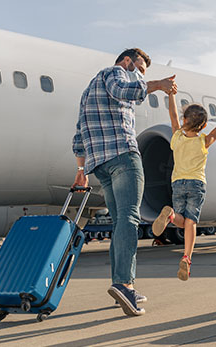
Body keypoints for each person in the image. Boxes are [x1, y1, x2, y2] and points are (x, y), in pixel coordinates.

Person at [72, 48, 176, 317]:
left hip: (100, 165)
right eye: (140, 69)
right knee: (130, 219)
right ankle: (124, 284)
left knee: (120, 223)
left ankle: (122, 283)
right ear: (128, 61)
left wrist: (80, 169)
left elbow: (79, 134)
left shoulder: (88, 91)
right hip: (122, 156)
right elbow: (124, 91)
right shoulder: (115, 73)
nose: (140, 75)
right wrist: (158, 85)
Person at [151, 85, 216, 281]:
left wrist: (171, 95)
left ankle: (170, 215)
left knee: (181, 219)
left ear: (184, 120)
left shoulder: (176, 138)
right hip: (197, 184)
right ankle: (187, 257)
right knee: (191, 221)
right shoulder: (203, 141)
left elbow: (172, 115)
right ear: (203, 126)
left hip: (178, 183)